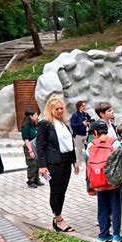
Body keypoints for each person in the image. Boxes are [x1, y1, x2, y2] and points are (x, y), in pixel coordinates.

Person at [37, 95, 79, 232]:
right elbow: (40, 146)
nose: (60, 111)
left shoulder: (64, 123)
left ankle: (57, 218)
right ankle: (59, 219)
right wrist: (42, 166)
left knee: (63, 191)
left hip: (66, 161)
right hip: (53, 162)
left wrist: (74, 161)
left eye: (62, 108)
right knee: (56, 191)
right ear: (50, 109)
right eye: (57, 109)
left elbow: (70, 143)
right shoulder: (45, 124)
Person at [86, 120, 122, 242]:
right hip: (112, 181)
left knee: (102, 207)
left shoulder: (91, 144)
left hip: (98, 181)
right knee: (115, 207)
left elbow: (89, 159)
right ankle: (117, 236)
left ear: (95, 132)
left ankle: (103, 234)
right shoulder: (115, 142)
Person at [21, 109, 42, 188]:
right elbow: (26, 140)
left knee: (37, 164)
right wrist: (30, 151)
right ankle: (31, 180)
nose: (37, 116)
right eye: (36, 115)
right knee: (32, 164)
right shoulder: (25, 126)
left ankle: (37, 179)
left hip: (36, 146)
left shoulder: (34, 125)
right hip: (29, 147)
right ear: (31, 116)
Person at [70, 101, 91, 168]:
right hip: (78, 135)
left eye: (84, 106)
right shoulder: (75, 115)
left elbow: (89, 120)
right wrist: (82, 123)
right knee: (79, 150)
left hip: (86, 134)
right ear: (79, 107)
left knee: (88, 149)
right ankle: (79, 165)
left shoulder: (86, 114)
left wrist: (89, 122)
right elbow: (73, 125)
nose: (84, 107)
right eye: (82, 106)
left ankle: (88, 163)